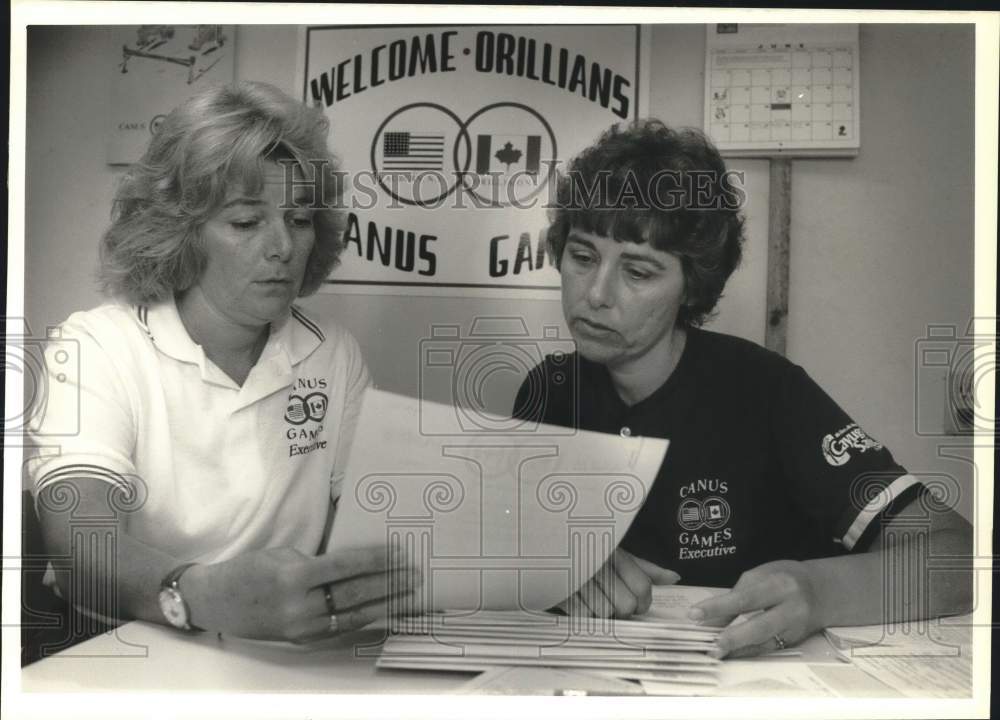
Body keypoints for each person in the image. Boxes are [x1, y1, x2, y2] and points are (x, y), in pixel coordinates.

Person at [513, 120, 972, 658]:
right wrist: (554, 565)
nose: (595, 293)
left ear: (693, 287)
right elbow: (508, 551)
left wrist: (821, 592)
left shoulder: (766, 390)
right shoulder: (546, 392)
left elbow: (957, 556)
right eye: (583, 256)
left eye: (638, 272)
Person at [26, 81, 419, 645]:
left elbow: (358, 535)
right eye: (245, 222)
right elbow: (79, 540)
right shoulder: (96, 345)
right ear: (182, 232)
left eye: (300, 219)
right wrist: (202, 596)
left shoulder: (333, 353)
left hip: (275, 655)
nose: (283, 246)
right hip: (115, 647)